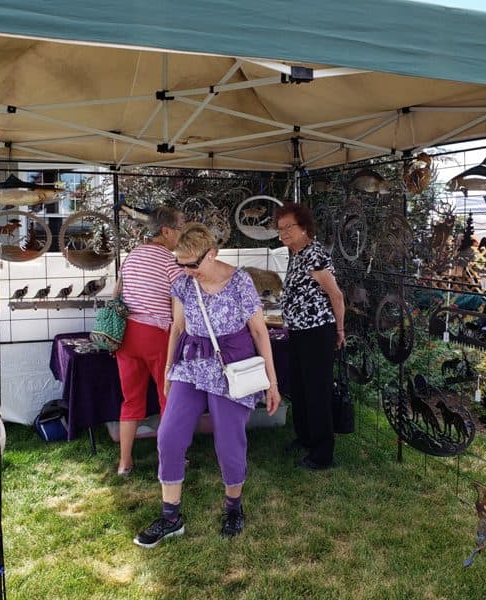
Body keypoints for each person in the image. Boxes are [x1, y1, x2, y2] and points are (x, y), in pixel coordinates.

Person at [133, 223, 281, 548]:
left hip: (231, 368)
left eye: (192, 264)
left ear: (211, 254)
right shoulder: (185, 283)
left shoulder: (240, 281)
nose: (186, 271)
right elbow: (176, 328)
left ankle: (233, 507)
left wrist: (272, 381)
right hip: (191, 366)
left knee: (229, 442)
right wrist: (170, 370)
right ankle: (171, 517)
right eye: (180, 264)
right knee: (169, 436)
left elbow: (259, 332)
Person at [115, 207, 185, 476]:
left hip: (126, 335)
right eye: (179, 228)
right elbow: (178, 307)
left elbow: (118, 292)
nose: (181, 234)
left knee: (130, 400)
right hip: (156, 335)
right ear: (166, 231)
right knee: (168, 396)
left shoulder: (131, 256)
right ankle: (171, 459)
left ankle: (125, 462)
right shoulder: (170, 262)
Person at [275, 203, 345, 470]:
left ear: (304, 227)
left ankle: (322, 454)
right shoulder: (296, 254)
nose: (283, 233)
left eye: (288, 227)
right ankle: (305, 438)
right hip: (299, 332)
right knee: (301, 388)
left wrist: (339, 330)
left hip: (317, 333)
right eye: (280, 229)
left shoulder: (314, 254)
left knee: (317, 392)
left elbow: (336, 296)